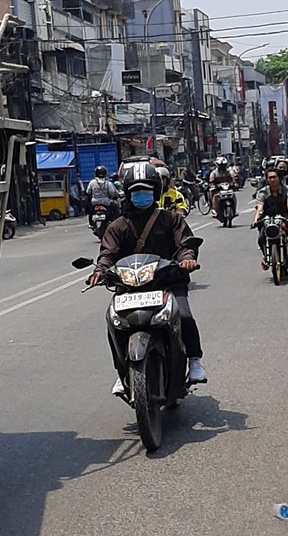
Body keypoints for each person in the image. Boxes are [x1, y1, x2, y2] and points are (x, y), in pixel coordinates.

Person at [89, 162, 207, 392]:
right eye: (135, 191)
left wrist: (187, 259)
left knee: (183, 315)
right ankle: (122, 370)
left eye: (145, 190)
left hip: (168, 281)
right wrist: (99, 271)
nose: (140, 195)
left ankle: (194, 361)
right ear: (128, 193)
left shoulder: (171, 219)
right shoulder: (116, 226)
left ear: (155, 191)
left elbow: (185, 245)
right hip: (129, 287)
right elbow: (107, 253)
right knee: (114, 322)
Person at [252, 168, 288, 270]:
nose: (272, 180)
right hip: (268, 219)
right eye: (270, 178)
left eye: (274, 177)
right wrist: (256, 220)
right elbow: (260, 209)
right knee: (261, 239)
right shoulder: (262, 192)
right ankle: (266, 257)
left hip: (285, 217)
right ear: (266, 180)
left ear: (279, 178)